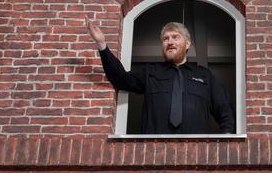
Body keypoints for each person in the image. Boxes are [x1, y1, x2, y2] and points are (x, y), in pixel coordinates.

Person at [86, 17, 235, 134]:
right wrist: (102, 45)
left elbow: (225, 111)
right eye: (165, 39)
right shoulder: (150, 72)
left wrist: (226, 142)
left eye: (175, 37)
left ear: (188, 44)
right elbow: (120, 79)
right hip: (153, 153)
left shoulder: (204, 76)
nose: (170, 42)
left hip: (196, 154)